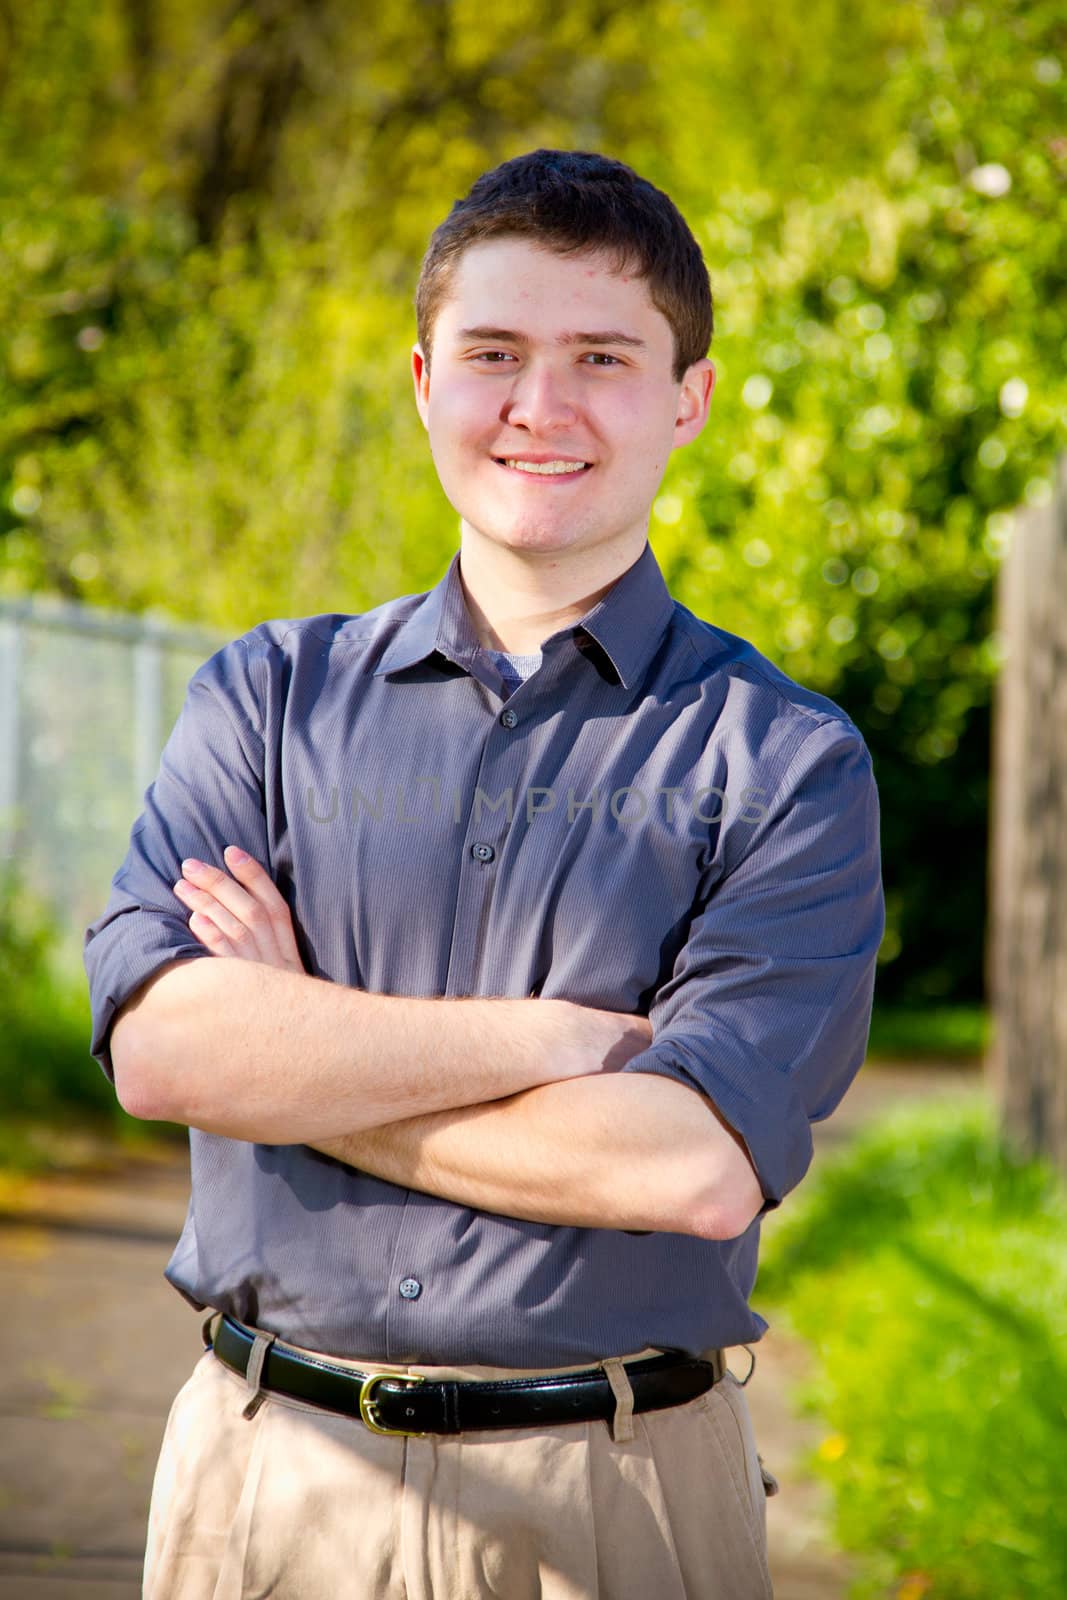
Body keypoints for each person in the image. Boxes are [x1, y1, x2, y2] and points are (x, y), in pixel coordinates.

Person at [84, 148, 885, 1600]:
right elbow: (163, 1049)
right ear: (422, 380)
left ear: (689, 398)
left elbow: (692, 1167)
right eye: (495, 353)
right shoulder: (266, 698)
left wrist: (306, 1062)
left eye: (602, 356)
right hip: (263, 1490)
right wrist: (544, 1046)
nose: (540, 404)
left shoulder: (784, 762)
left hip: (616, 1501)